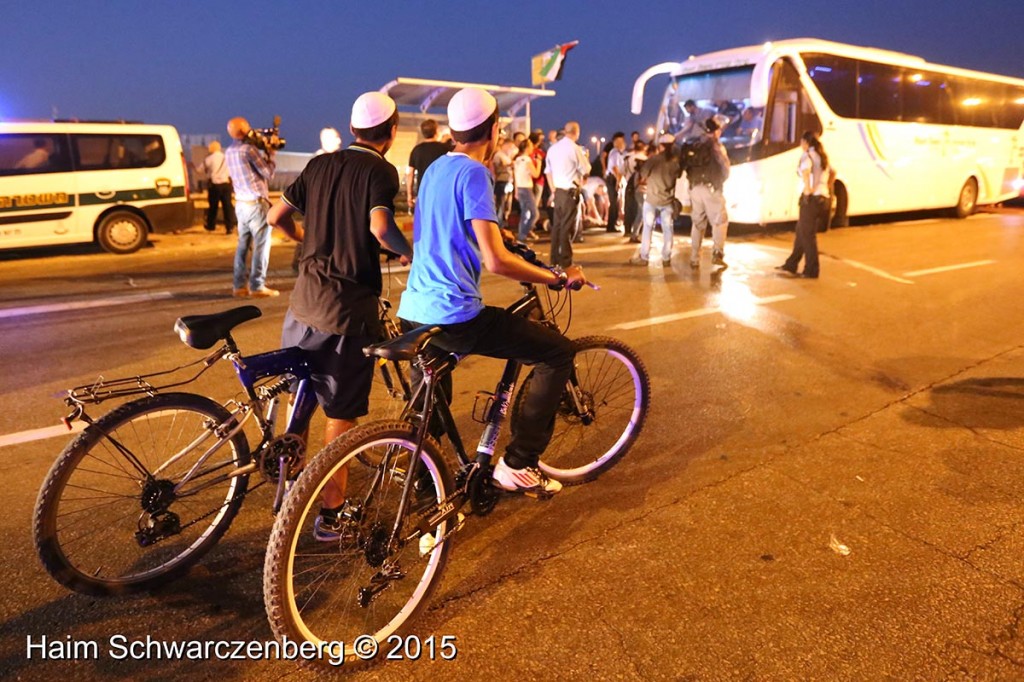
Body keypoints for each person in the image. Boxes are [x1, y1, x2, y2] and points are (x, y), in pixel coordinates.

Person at [397, 87, 587, 496]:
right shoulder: (474, 172)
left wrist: (494, 233)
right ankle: (518, 464)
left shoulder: (435, 168)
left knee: (430, 406)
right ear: (496, 128)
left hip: (414, 307)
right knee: (556, 353)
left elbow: (446, 225)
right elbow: (496, 261)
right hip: (453, 313)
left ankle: (423, 483)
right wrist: (556, 276)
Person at [267, 92, 414, 540]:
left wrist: (302, 237)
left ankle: (290, 488)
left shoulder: (318, 165)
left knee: (301, 400)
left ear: (352, 130)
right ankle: (331, 517)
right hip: (347, 311)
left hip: (303, 302)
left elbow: (276, 215)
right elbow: (380, 228)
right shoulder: (380, 170)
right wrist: (415, 255)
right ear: (390, 133)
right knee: (341, 415)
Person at [225, 116, 278, 298]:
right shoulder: (248, 150)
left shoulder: (230, 151)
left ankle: (239, 286)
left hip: (241, 204)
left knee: (243, 245)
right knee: (261, 245)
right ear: (243, 131)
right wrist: (271, 153)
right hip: (256, 203)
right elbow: (268, 173)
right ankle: (257, 286)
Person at [777, 131, 834, 279]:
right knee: (801, 230)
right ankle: (791, 263)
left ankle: (811, 270)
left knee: (808, 235)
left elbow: (806, 171)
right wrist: (826, 185)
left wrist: (808, 189)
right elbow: (833, 172)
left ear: (806, 142)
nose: (801, 145)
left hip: (811, 199)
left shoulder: (807, 155)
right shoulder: (823, 156)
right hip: (823, 198)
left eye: (802, 142)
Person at [630, 134, 681, 267]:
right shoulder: (676, 162)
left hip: (652, 199)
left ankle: (644, 257)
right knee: (668, 229)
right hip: (668, 201)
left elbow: (643, 174)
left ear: (661, 146)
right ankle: (666, 258)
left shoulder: (654, 160)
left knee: (647, 228)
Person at [544, 121, 591, 267]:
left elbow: (548, 171)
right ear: (576, 132)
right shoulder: (574, 148)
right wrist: (586, 157)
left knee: (557, 226)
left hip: (558, 191)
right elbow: (586, 169)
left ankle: (555, 259)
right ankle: (566, 260)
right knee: (567, 227)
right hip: (570, 191)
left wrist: (553, 189)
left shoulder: (553, 149)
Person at [687, 117, 731, 269]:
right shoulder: (716, 146)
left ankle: (694, 258)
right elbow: (725, 168)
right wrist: (719, 182)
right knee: (720, 220)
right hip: (711, 188)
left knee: (698, 223)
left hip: (694, 187)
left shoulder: (696, 143)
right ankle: (717, 254)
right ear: (717, 131)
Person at [406, 119, 450, 210]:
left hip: (423, 194)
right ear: (436, 131)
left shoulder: (416, 150)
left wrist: (410, 195)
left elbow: (410, 174)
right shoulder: (445, 149)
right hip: (442, 193)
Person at [202, 141, 235, 234]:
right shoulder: (226, 158)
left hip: (214, 185)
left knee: (213, 207)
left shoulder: (208, 159)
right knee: (227, 206)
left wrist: (192, 166)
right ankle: (229, 227)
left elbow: (200, 170)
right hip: (226, 185)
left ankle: (211, 225)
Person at [513, 137, 541, 243]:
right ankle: (523, 234)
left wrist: (515, 191)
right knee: (535, 214)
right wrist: (539, 163)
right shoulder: (527, 160)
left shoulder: (517, 159)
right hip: (527, 188)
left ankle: (522, 236)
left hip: (520, 188)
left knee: (525, 212)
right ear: (527, 148)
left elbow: (515, 176)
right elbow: (536, 174)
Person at [491, 137, 515, 228]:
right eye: (510, 147)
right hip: (502, 181)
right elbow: (496, 168)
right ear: (505, 145)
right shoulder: (499, 155)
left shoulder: (507, 156)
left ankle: (503, 222)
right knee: (501, 204)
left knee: (507, 204)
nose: (511, 149)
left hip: (508, 181)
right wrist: (508, 165)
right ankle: (499, 224)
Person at [605, 132, 626, 232]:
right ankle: (611, 226)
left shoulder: (617, 153)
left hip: (613, 178)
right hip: (612, 179)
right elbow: (615, 168)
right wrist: (618, 181)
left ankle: (612, 225)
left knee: (615, 203)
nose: (624, 143)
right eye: (621, 141)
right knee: (614, 203)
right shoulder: (615, 152)